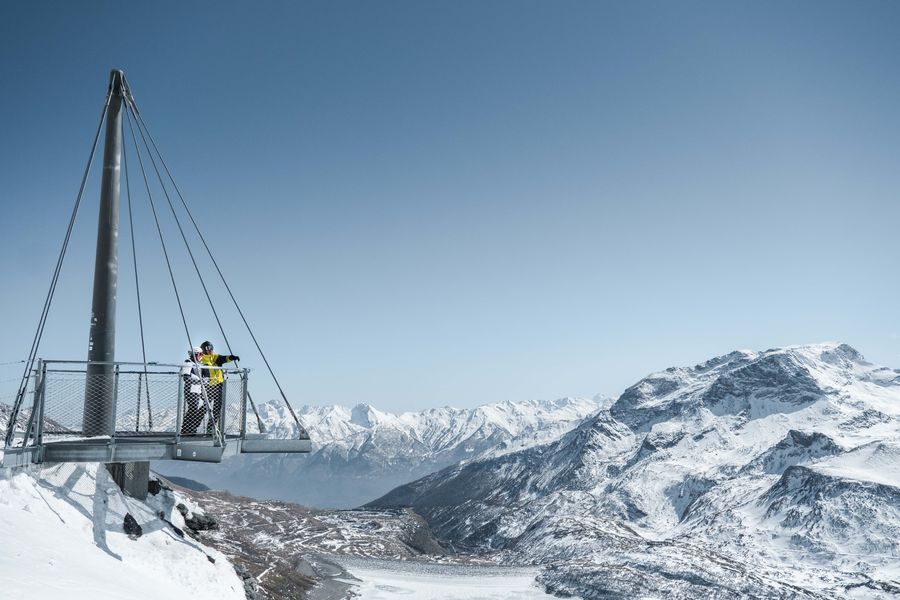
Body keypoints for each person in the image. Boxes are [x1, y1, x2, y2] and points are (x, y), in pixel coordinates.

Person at [197, 341, 239, 434]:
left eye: (211, 348)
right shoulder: (201, 358)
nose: (209, 350)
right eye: (207, 349)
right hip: (208, 386)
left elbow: (224, 358)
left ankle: (210, 427)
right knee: (205, 407)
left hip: (219, 384)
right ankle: (194, 424)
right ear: (203, 349)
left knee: (217, 407)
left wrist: (232, 357)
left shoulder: (215, 357)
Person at [180, 347, 205, 434]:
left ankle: (191, 427)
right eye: (201, 354)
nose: (201, 356)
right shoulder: (188, 363)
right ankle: (186, 429)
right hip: (191, 389)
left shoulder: (199, 364)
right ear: (196, 354)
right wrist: (198, 379)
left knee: (200, 408)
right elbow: (186, 376)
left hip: (198, 390)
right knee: (193, 408)